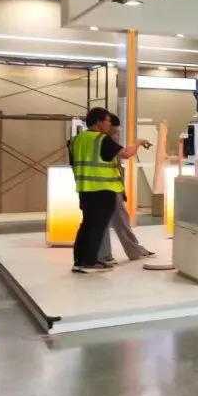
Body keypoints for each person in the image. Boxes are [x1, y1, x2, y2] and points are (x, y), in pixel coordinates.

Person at [69, 108, 150, 273]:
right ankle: (89, 262)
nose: (109, 124)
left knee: (86, 225)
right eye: (107, 121)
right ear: (99, 122)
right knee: (97, 227)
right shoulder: (101, 139)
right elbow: (126, 154)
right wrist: (138, 142)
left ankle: (79, 260)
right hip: (102, 190)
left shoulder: (76, 140)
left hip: (84, 189)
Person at [97, 114, 156, 266]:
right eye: (115, 130)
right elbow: (127, 154)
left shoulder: (95, 141)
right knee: (118, 221)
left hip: (102, 188)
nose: (116, 134)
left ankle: (109, 254)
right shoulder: (104, 140)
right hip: (108, 188)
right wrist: (138, 142)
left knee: (110, 222)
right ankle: (126, 252)